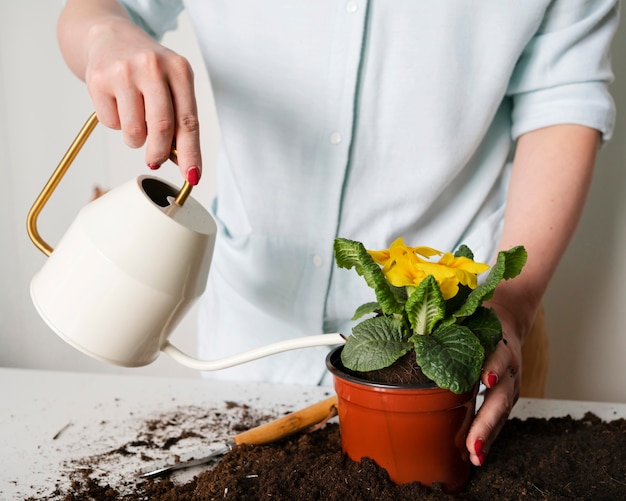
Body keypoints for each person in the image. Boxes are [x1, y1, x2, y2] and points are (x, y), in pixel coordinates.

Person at [56, 0, 619, 467]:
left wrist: (511, 309)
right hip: (250, 329)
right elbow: (101, 8)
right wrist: (107, 34)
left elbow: (564, 94)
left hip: (459, 343)